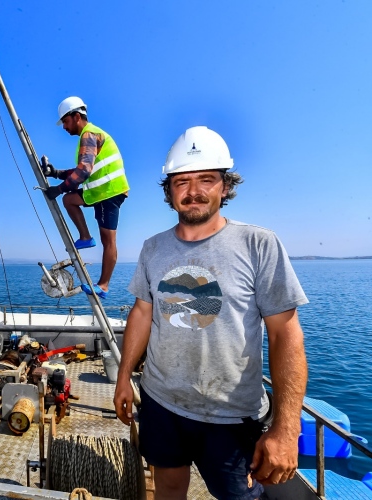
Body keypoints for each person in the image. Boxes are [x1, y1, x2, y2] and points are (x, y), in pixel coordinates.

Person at [113, 126, 308, 500]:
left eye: (207, 179)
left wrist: (286, 429)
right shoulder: (153, 249)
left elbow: (286, 334)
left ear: (225, 186)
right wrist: (125, 377)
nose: (194, 191)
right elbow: (141, 312)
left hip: (231, 415)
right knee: (168, 486)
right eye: (182, 181)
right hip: (160, 401)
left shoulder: (258, 245)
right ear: (169, 191)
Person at [43, 96, 130, 299]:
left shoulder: (88, 134)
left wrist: (59, 189)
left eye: (65, 121)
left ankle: (104, 285)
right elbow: (80, 169)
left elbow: (83, 172)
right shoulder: (90, 135)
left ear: (76, 116)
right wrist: (55, 173)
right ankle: (85, 237)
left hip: (110, 191)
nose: (64, 126)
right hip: (100, 191)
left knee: (108, 240)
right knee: (70, 200)